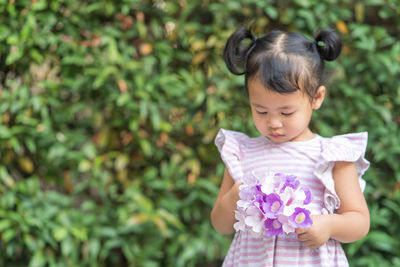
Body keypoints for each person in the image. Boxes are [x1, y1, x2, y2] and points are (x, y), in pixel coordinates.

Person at [210, 27, 370, 266]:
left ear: (316, 98)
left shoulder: (332, 156)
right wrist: (234, 198)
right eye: (261, 110)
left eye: (287, 112)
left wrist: (329, 225)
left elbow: (359, 221)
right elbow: (220, 224)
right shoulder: (241, 153)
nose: (273, 123)